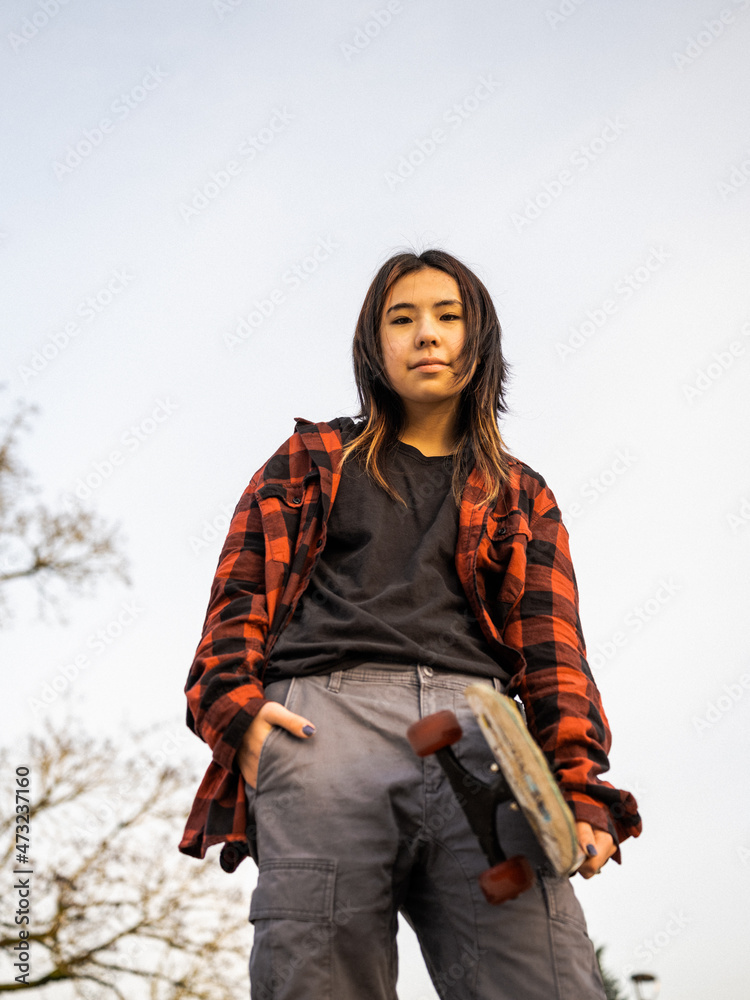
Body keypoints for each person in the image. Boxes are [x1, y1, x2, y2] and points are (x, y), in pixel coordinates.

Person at [180, 248, 642, 999]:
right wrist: (238, 716)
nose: (426, 333)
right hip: (325, 729)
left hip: (482, 742)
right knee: (318, 981)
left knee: (545, 978)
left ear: (477, 339)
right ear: (375, 344)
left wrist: (578, 782)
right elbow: (238, 603)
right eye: (402, 319)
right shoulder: (312, 458)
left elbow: (554, 650)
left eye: (447, 316)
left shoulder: (520, 492)